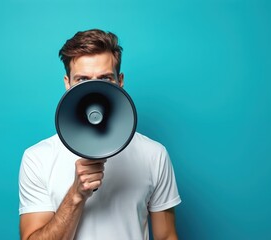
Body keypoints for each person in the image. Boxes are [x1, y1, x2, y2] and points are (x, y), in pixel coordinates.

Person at [18, 29, 181, 240]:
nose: (94, 88)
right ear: (68, 83)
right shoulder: (37, 158)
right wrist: (76, 195)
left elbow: (166, 236)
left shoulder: (153, 154)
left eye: (104, 78)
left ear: (119, 81)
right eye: (82, 79)